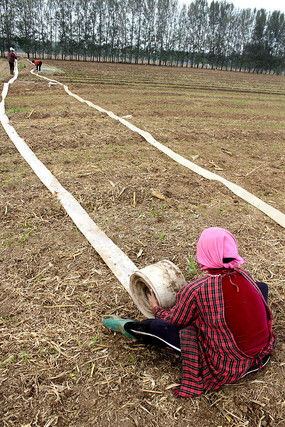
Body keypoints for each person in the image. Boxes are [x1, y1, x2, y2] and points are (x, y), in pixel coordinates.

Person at [103, 227, 275, 398]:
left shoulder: (196, 290)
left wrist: (156, 308)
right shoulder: (244, 276)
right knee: (261, 287)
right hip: (262, 354)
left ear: (204, 253)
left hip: (230, 364)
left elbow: (174, 321)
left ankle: (126, 327)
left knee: (158, 327)